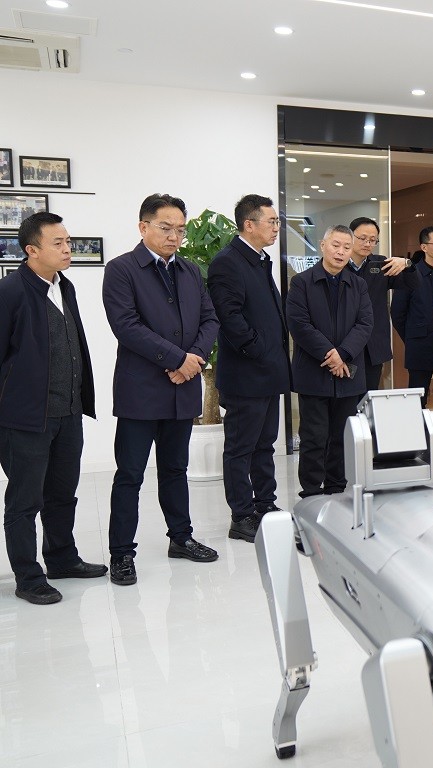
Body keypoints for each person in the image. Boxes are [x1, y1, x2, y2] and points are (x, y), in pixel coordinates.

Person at [102, 194, 220, 586]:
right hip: (140, 391)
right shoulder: (122, 269)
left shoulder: (190, 270)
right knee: (130, 474)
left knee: (175, 469)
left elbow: (210, 319)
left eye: (180, 229)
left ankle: (181, 538)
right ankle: (121, 553)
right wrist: (177, 359)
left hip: (182, 389)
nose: (175, 236)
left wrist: (193, 360)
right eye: (166, 228)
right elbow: (126, 326)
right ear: (143, 227)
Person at [0, 213, 104, 604]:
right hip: (25, 418)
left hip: (68, 412)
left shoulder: (65, 287)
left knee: (62, 494)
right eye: (58, 243)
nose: (67, 249)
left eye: (68, 242)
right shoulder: (10, 291)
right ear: (32, 250)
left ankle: (62, 559)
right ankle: (28, 577)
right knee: (25, 501)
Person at [208, 194, 290, 544]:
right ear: (249, 224)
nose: (276, 227)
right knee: (240, 448)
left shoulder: (259, 259)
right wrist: (259, 350)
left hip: (268, 372)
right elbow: (230, 319)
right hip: (247, 374)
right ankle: (241, 516)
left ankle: (265, 504)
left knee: (265, 444)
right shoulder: (228, 262)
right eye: (271, 221)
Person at [287, 226, 372, 498]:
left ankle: (337, 488)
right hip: (314, 372)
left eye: (347, 247)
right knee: (313, 436)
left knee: (341, 436)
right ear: (323, 245)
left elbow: (365, 324)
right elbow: (299, 324)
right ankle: (311, 492)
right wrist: (330, 354)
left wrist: (343, 353)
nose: (341, 252)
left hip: (347, 372)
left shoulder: (358, 284)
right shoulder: (301, 282)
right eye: (336, 245)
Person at [391, 226, 433, 407]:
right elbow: (398, 313)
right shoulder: (410, 274)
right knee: (417, 399)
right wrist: (411, 337)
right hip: (419, 346)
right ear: (424, 247)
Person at [347, 216, 405, 390]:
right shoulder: (339, 265)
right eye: (362, 238)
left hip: (374, 344)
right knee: (347, 399)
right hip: (345, 344)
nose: (367, 244)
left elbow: (411, 284)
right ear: (350, 236)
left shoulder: (381, 264)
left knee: (369, 394)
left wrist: (406, 264)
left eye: (373, 240)